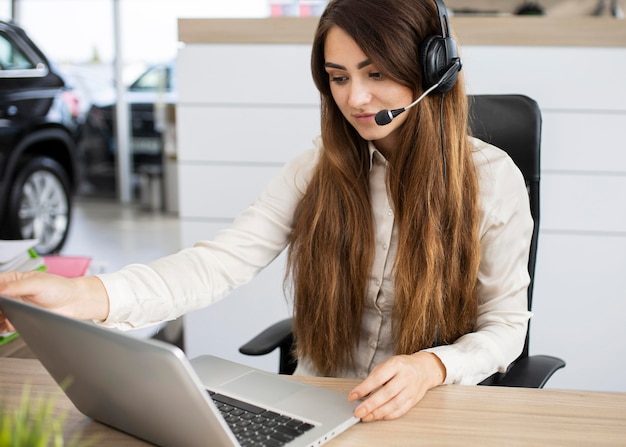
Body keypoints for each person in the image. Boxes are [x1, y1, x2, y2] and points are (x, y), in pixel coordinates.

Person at [0, 0, 532, 422]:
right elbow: (218, 263)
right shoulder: (315, 171)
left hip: (429, 410)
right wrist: (86, 295)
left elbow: (505, 327)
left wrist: (433, 366)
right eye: (339, 77)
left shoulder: (491, 179)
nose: (357, 99)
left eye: (375, 74)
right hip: (318, 404)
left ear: (432, 71)